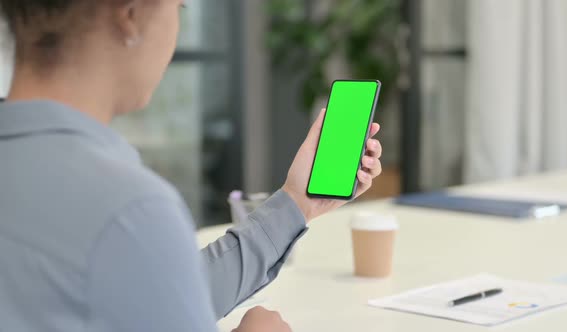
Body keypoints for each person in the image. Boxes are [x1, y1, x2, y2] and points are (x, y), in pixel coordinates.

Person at [0, 1, 383, 331]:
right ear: (131, 15)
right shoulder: (129, 210)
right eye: (178, 7)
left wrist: (297, 203)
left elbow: (152, 289)